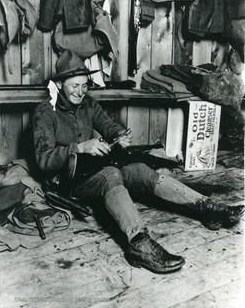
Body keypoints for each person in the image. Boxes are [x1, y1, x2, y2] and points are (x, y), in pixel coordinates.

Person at [33, 50, 244, 274]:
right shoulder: (45, 113)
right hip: (66, 183)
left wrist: (119, 135)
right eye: (74, 86)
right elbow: (43, 161)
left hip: (88, 170)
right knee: (111, 174)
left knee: (139, 170)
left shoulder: (87, 103)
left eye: (84, 85)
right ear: (59, 83)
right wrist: (80, 147)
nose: (80, 91)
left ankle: (206, 207)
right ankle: (139, 244)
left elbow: (107, 124)